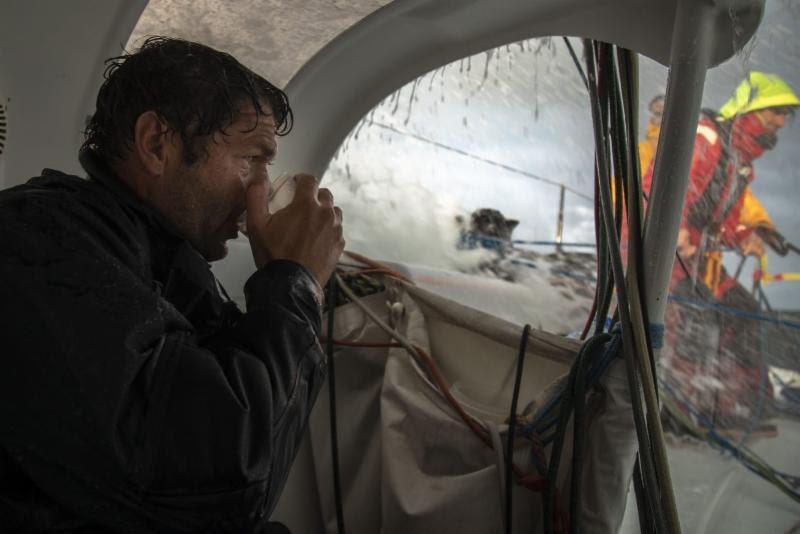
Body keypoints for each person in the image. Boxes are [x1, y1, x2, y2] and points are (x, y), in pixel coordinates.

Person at [0, 37, 344, 532]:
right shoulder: (40, 240)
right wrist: (294, 284)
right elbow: (223, 479)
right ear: (157, 144)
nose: (259, 193)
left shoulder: (162, 260)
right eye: (252, 159)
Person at [642, 72, 799, 428]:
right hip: (655, 251)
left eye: (787, 115)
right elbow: (658, 185)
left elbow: (723, 225)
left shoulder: (739, 164)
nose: (782, 121)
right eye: (776, 111)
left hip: (694, 257)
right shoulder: (706, 138)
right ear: (752, 110)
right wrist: (674, 225)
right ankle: (676, 410)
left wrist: (744, 237)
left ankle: (737, 407)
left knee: (742, 311)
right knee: (692, 313)